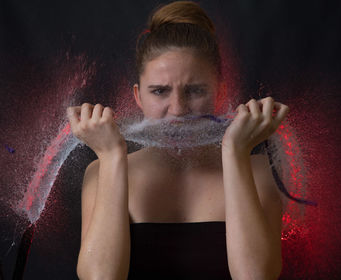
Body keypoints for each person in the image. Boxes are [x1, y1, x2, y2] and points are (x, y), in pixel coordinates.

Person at [66, 1, 289, 279]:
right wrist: (112, 157)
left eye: (195, 90)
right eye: (159, 91)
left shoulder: (258, 171)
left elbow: (257, 276)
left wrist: (235, 152)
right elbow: (101, 277)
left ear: (220, 92)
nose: (178, 109)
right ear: (137, 96)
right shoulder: (100, 171)